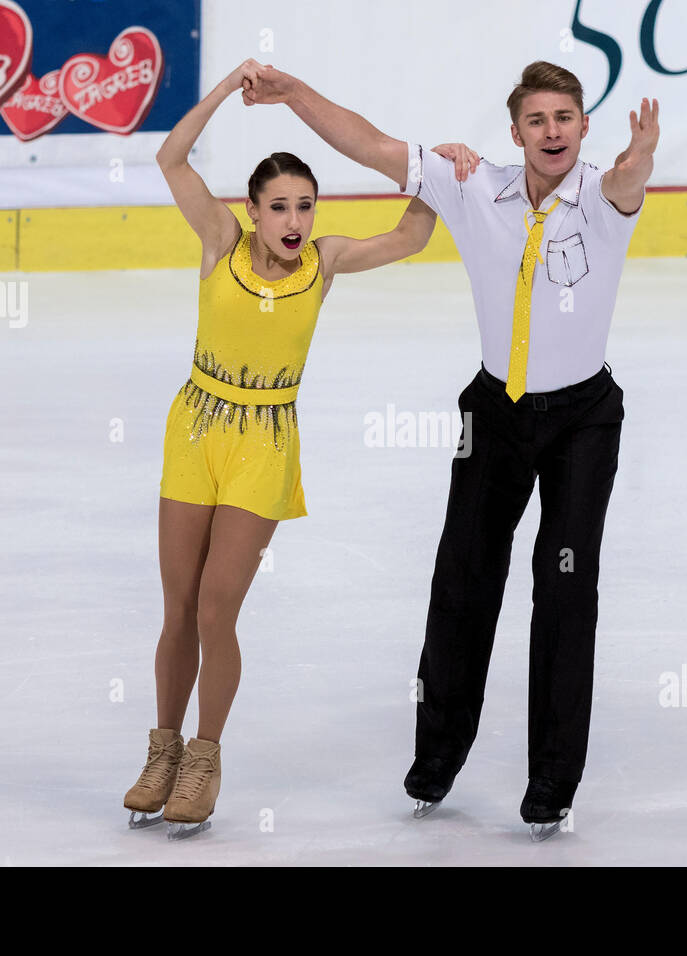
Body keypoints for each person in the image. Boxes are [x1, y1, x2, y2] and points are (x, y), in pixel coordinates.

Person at [243, 59, 658, 837]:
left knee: (565, 590)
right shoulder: (473, 186)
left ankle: (552, 784)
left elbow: (632, 179)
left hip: (583, 421)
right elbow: (367, 144)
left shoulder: (603, 196)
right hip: (493, 415)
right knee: (462, 580)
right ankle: (436, 761)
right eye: (536, 121)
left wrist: (644, 150)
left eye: (564, 117)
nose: (552, 132)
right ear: (515, 133)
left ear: (583, 127)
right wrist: (295, 94)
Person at [123, 59, 484, 839]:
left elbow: (413, 236)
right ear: (251, 210)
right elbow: (170, 159)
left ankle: (205, 758)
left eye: (306, 207)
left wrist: (436, 165)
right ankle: (162, 751)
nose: (295, 220)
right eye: (280, 206)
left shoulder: (325, 264)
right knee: (177, 608)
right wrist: (223, 92)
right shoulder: (218, 239)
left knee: (218, 609)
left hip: (263, 443)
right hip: (194, 429)